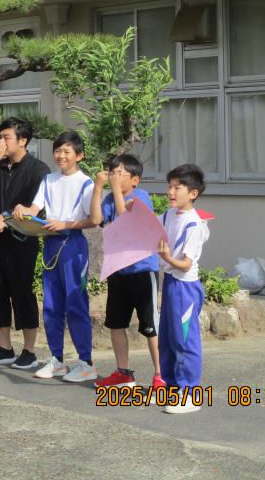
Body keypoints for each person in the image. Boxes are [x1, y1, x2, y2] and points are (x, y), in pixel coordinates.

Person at [13, 130, 96, 379]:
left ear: (79, 155)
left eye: (66, 151)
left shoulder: (86, 183)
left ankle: (86, 363)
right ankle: (56, 359)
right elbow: (34, 208)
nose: (61, 156)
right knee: (51, 305)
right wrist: (21, 209)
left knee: (76, 303)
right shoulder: (48, 180)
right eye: (57, 151)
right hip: (50, 244)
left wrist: (65, 224)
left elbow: (93, 220)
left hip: (73, 245)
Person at [0, 118, 50, 369]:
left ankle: (29, 351)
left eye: (6, 137)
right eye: (0, 137)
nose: (1, 142)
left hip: (21, 241)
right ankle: (5, 349)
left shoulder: (38, 170)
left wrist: (6, 217)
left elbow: (37, 209)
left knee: (22, 293)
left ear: (23, 140)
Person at [89, 154, 165, 392]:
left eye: (120, 173)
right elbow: (96, 219)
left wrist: (114, 189)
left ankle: (160, 375)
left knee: (150, 325)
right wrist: (98, 188)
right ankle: (123, 373)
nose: (114, 176)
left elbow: (127, 220)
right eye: (112, 172)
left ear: (134, 180)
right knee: (116, 323)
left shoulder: (141, 196)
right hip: (118, 270)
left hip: (143, 270)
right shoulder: (109, 198)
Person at [157, 164, 210, 414]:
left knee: (185, 340)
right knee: (167, 338)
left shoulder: (194, 224)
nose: (171, 192)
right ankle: (172, 388)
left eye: (177, 187)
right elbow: (149, 228)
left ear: (193, 193)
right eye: (169, 186)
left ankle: (189, 394)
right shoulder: (169, 215)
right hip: (170, 282)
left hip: (185, 287)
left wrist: (167, 258)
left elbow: (186, 263)